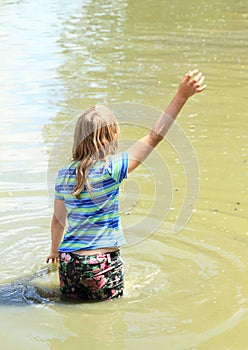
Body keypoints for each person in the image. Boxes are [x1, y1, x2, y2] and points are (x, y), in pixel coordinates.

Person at [46, 69, 206, 301]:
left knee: (72, 310)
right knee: (109, 324)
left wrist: (54, 251)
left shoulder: (63, 175)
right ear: (112, 137)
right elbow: (154, 136)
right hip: (101, 265)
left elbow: (58, 220)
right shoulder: (112, 169)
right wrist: (182, 95)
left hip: (69, 262)